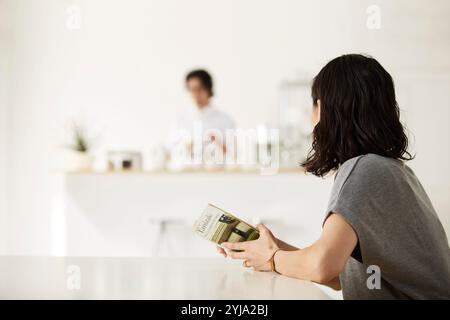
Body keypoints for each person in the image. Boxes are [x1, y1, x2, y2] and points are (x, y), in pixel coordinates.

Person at [217, 54, 450, 299]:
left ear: (325, 109)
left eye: (313, 106)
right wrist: (272, 250)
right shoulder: (390, 171)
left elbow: (322, 266)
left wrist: (273, 258)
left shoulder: (365, 170)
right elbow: (338, 276)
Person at [166, 69, 235, 166]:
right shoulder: (179, 121)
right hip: (187, 175)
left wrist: (217, 144)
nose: (196, 94)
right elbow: (169, 153)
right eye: (192, 89)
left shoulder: (225, 120)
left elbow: (235, 156)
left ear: (208, 89)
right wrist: (184, 149)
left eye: (199, 89)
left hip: (217, 175)